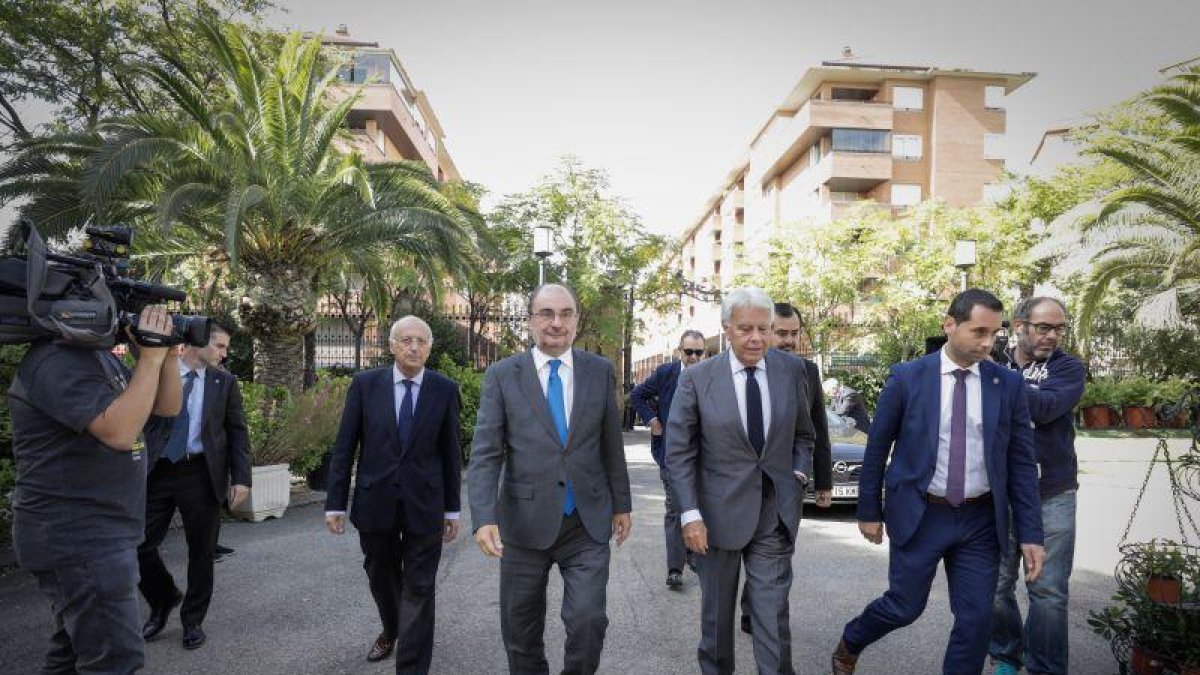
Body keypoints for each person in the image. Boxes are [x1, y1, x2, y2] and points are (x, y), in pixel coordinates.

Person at [833, 289, 1045, 675]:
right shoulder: (907, 378)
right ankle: (852, 639)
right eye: (978, 331)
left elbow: (1021, 465)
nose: (987, 343)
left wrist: (1031, 533)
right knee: (904, 606)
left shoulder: (1007, 385)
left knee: (977, 619)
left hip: (980, 521)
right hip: (921, 513)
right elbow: (878, 448)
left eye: (994, 334)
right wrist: (869, 511)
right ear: (949, 325)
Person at [468, 283, 632, 675]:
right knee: (520, 629)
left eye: (566, 314)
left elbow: (611, 444)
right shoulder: (502, 376)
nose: (556, 323)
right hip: (524, 526)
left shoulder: (600, 371)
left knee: (588, 620)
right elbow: (486, 453)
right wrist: (484, 517)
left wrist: (622, 504)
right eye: (546, 313)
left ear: (576, 320)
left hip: (586, 523)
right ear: (530, 321)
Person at [9, 306, 181, 674]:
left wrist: (161, 358)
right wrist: (149, 359)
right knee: (115, 661)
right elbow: (119, 433)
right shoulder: (57, 361)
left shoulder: (95, 358)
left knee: (72, 653)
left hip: (99, 534)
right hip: (79, 536)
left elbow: (166, 409)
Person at [666, 287, 818, 675]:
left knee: (772, 615)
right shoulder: (698, 380)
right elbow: (679, 453)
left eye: (763, 329)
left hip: (775, 513)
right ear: (727, 330)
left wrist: (798, 475)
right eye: (746, 328)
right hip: (715, 517)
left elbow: (805, 434)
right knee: (716, 623)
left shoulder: (792, 371)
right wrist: (689, 515)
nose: (756, 338)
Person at [325, 316, 462, 673]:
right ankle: (392, 627)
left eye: (421, 341)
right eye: (406, 340)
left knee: (419, 586)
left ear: (430, 347)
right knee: (380, 575)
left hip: (425, 505)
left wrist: (453, 510)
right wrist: (335, 502)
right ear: (391, 346)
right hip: (375, 502)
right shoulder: (365, 385)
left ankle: (411, 666)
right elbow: (345, 447)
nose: (414, 347)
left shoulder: (445, 389)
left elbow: (451, 453)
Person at [138, 323, 251, 651]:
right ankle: (164, 599)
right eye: (219, 346)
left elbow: (237, 432)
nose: (224, 353)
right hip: (157, 472)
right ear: (196, 342)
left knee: (201, 552)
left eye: (226, 347)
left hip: (201, 474)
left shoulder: (225, 382)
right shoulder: (158, 370)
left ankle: (193, 621)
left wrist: (242, 478)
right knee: (138, 544)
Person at [989, 297, 1085, 675]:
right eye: (1044, 327)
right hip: (999, 493)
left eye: (1059, 328)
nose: (1053, 336)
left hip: (1052, 493)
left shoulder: (1068, 368)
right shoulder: (993, 360)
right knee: (995, 588)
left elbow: (1046, 409)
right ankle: (1006, 656)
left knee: (1048, 593)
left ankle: (1045, 668)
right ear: (1019, 326)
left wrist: (995, 383)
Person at [737, 302, 832, 634]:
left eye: (794, 333)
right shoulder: (737, 367)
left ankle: (760, 610)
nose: (789, 340)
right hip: (742, 483)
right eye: (781, 333)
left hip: (786, 484)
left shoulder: (806, 371)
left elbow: (816, 427)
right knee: (743, 544)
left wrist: (822, 481)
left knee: (775, 553)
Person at [629, 329, 706, 590]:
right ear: (679, 352)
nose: (694, 357)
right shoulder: (666, 374)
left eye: (699, 352)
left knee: (698, 505)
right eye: (689, 352)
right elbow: (637, 395)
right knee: (675, 507)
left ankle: (693, 554)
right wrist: (653, 421)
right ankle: (675, 568)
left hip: (704, 456)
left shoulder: (711, 376)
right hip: (671, 455)